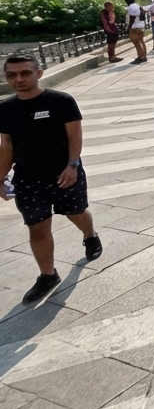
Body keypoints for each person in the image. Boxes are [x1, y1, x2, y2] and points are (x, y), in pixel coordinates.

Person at [0, 55, 102, 304]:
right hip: (28, 178)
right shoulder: (5, 108)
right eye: (12, 75)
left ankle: (90, 235)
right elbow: (7, 145)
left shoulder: (61, 101)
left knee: (76, 213)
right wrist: (0, 177)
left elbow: (74, 137)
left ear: (39, 73)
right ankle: (48, 275)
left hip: (64, 173)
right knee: (37, 227)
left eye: (25, 73)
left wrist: (72, 165)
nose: (19, 79)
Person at [125, 0, 148, 64]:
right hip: (141, 26)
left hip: (134, 27)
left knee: (136, 43)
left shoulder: (131, 7)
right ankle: (144, 56)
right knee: (141, 41)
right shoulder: (139, 7)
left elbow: (132, 19)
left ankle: (140, 57)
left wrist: (128, 28)